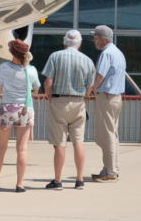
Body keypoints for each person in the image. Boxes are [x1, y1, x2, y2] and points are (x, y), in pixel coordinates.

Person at [41, 30, 95, 191]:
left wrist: (49, 96)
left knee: (60, 144)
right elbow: (90, 86)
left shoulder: (55, 56)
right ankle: (79, 180)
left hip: (59, 101)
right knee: (78, 141)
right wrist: (84, 96)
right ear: (80, 44)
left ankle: (57, 181)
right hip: (78, 102)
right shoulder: (87, 60)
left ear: (65, 42)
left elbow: (48, 81)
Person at [0, 39, 40, 193]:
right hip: (25, 109)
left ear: (11, 52)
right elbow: (36, 90)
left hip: (7, 109)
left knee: (1, 148)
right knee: (22, 149)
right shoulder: (31, 70)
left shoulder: (4, 67)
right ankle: (19, 184)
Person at [89, 25, 126, 183]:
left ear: (102, 39)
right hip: (115, 97)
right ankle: (110, 169)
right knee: (111, 134)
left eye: (95, 38)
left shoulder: (106, 53)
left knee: (107, 135)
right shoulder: (117, 52)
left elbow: (100, 75)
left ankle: (110, 171)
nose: (94, 41)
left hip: (107, 96)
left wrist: (92, 88)